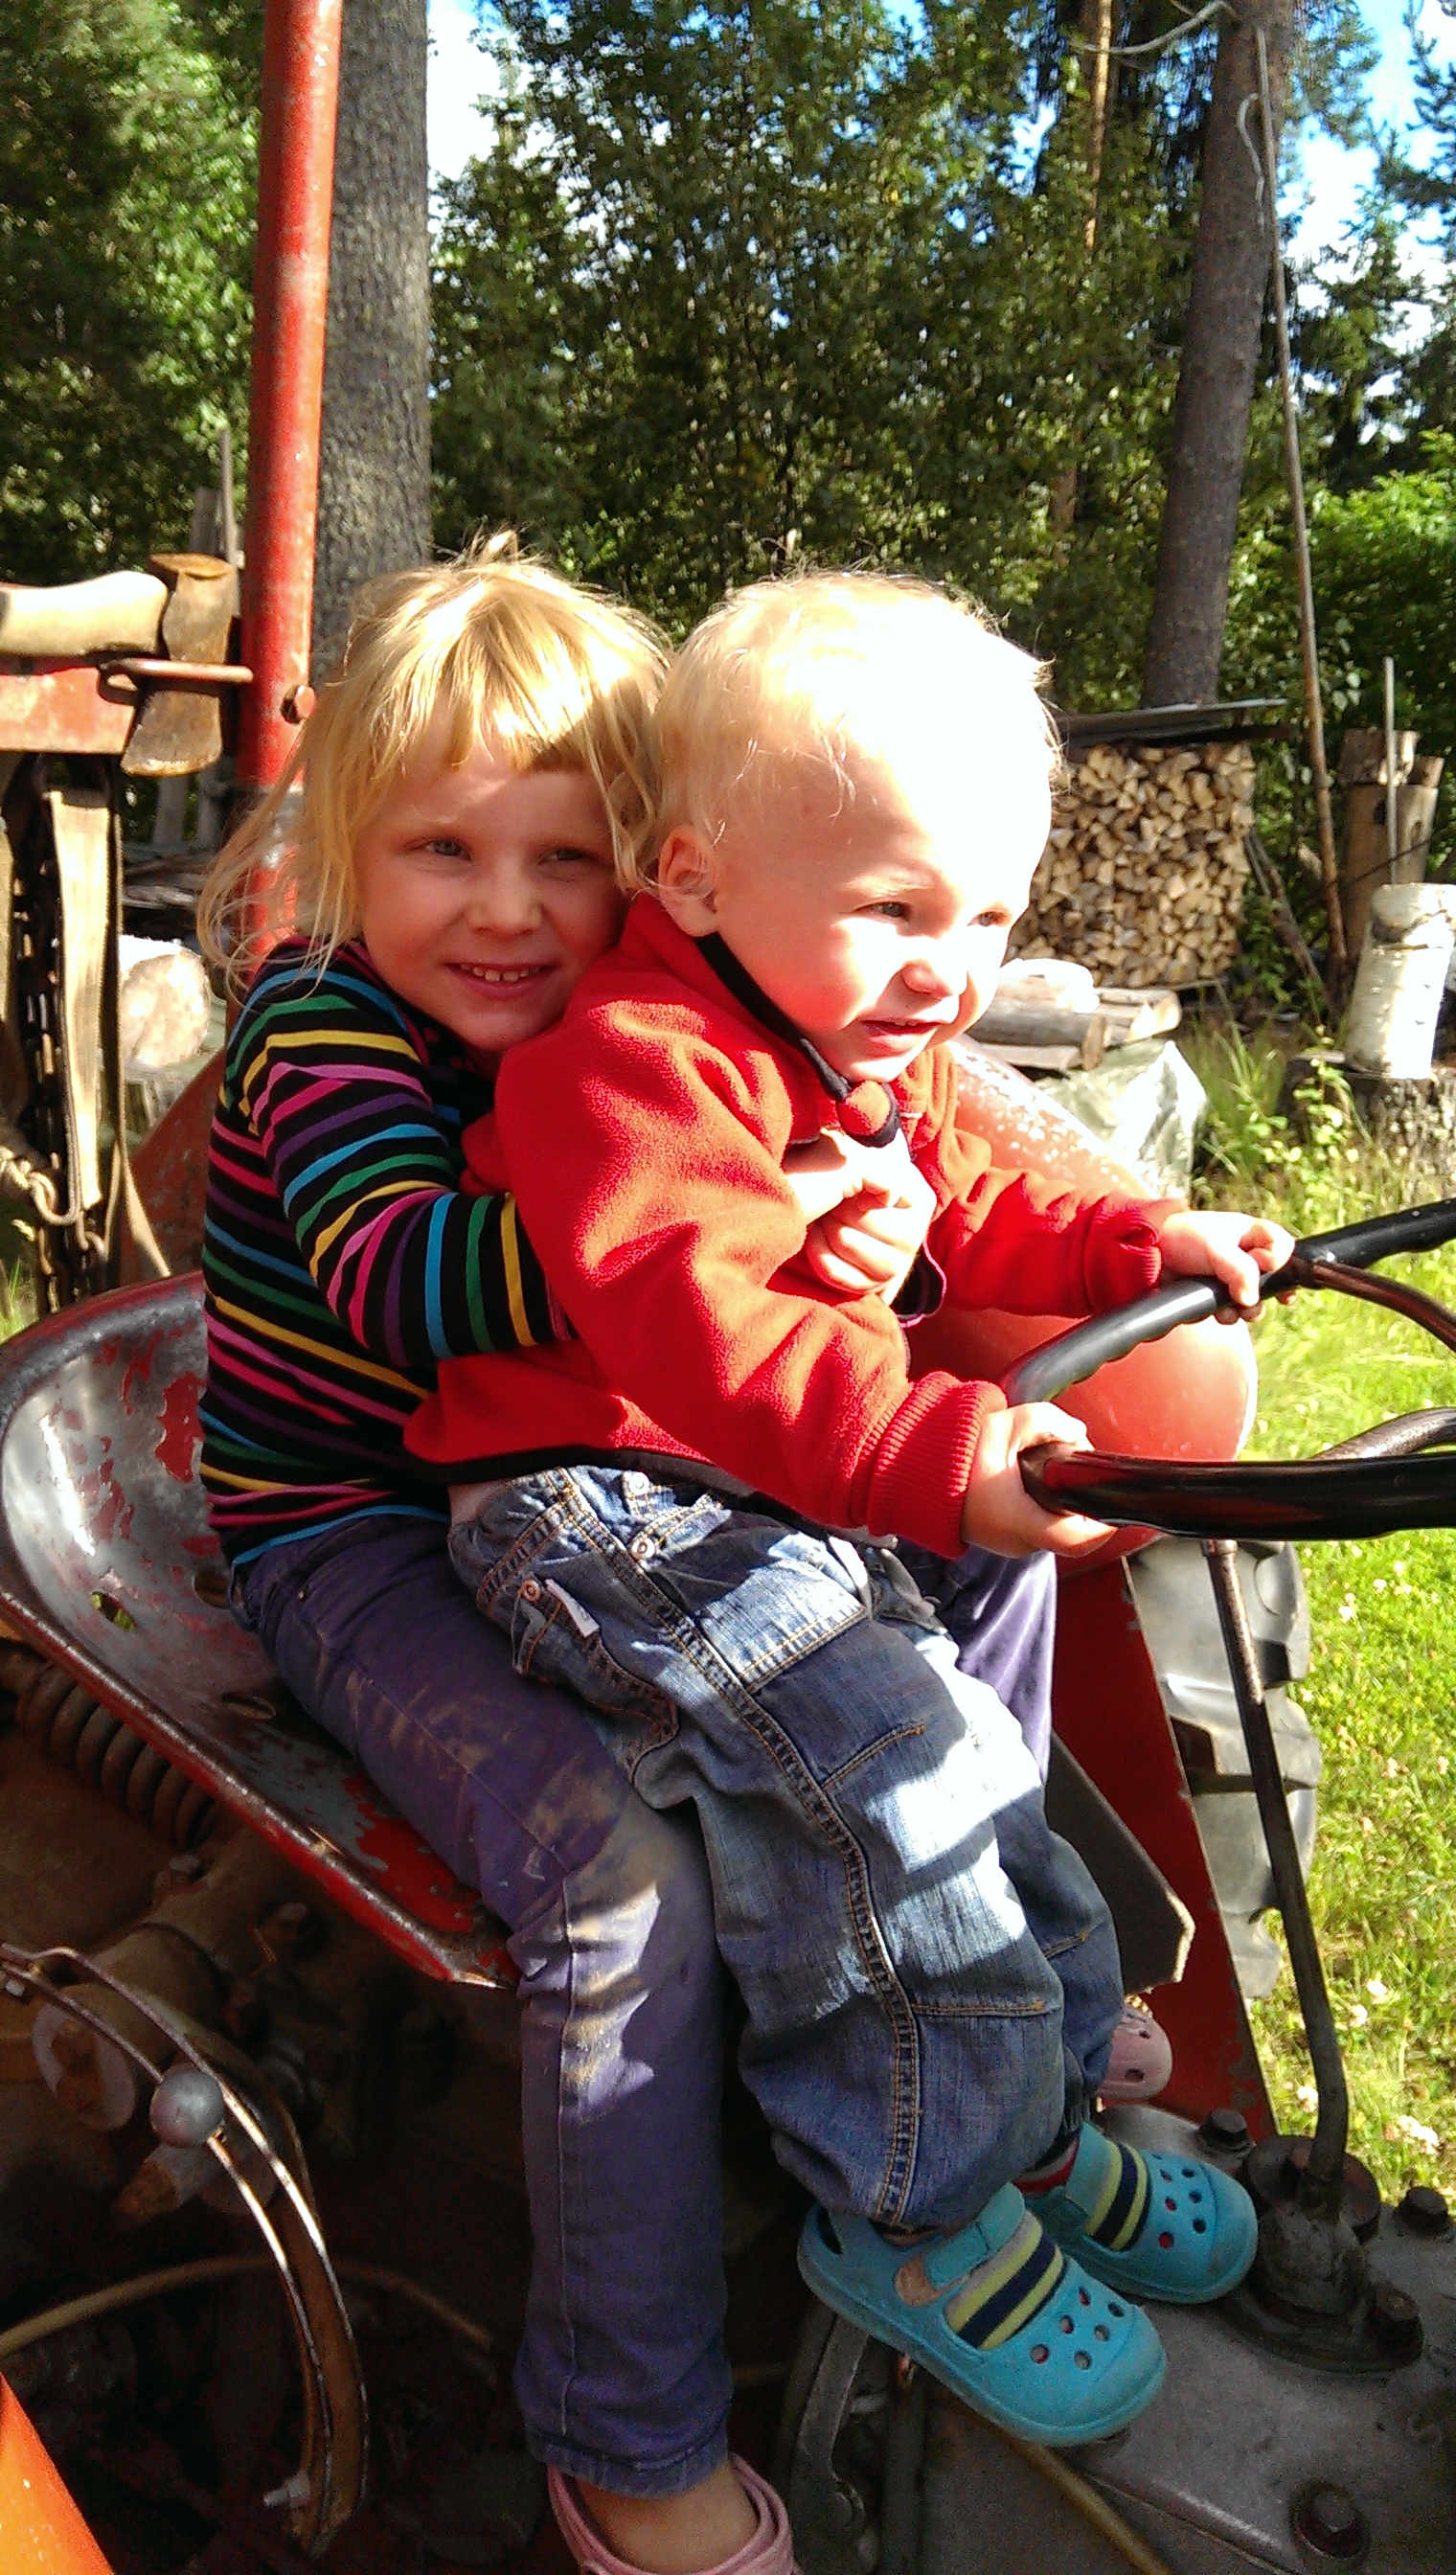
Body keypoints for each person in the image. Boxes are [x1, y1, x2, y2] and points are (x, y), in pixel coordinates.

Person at [410, 571, 1294, 2456]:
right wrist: (927, 1450)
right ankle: (912, 2211)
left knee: (981, 1755)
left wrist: (1145, 1241)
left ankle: (1041, 2114)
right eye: (893, 908)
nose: (946, 968)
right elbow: (703, 1325)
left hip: (736, 1494)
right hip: (596, 1502)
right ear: (695, 878)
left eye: (984, 916)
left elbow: (987, 1196)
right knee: (877, 1776)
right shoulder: (623, 1068)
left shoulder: (869, 1047)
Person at [202, 544, 909, 2575]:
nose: (506, 910)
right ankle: (630, 2444)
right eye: (443, 850)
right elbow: (410, 1277)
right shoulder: (320, 1028)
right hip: (352, 1533)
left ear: (655, 871)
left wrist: (859, 1234)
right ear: (346, 853)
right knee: (615, 1884)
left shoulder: (633, 1022)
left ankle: (952, 2015)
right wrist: (729, 1229)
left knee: (957, 1566)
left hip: (572, 1499)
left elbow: (778, 1213)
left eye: (565, 857)